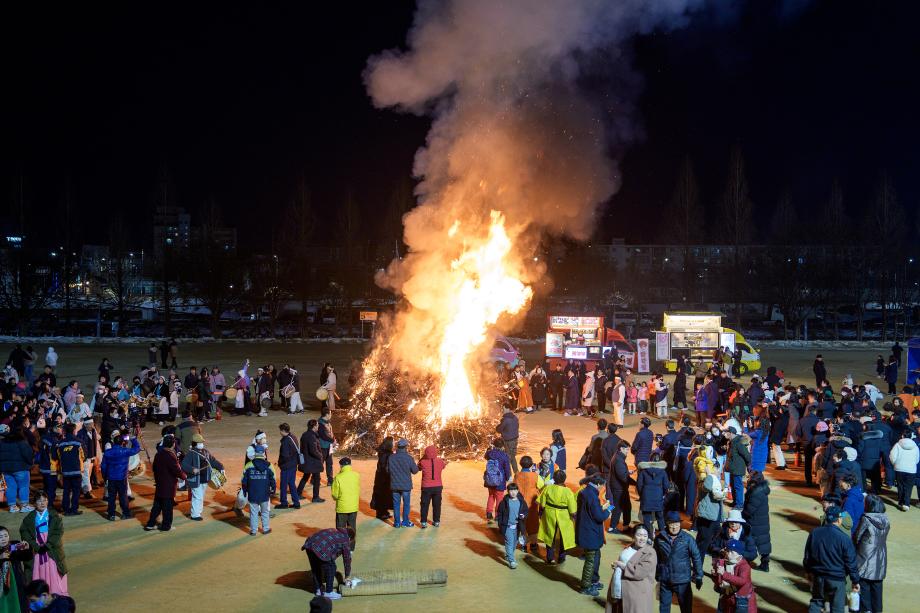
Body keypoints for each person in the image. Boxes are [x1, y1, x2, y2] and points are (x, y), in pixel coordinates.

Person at [803, 505, 860, 613]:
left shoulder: (815, 533)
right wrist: (855, 580)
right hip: (837, 579)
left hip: (818, 576)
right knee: (837, 608)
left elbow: (807, 555)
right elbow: (851, 562)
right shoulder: (844, 538)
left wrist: (807, 571)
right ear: (839, 520)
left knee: (816, 602)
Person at [19, 492, 68, 597]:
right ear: (34, 503)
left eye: (44, 500)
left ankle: (55, 591)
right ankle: (39, 591)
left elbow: (58, 532)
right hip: (37, 548)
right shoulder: (29, 518)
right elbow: (24, 532)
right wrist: (35, 546)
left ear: (48, 501)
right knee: (37, 569)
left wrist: (48, 545)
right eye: (39, 501)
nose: (42, 503)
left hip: (51, 548)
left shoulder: (54, 515)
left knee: (53, 569)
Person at [654, 511, 704, 613]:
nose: (674, 527)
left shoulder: (688, 539)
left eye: (676, 524)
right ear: (667, 524)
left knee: (686, 609)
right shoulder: (659, 538)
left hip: (682, 581)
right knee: (663, 608)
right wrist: (657, 573)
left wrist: (699, 575)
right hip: (665, 579)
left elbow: (696, 557)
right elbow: (656, 557)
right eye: (671, 524)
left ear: (680, 524)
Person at [605, 525, 657, 613]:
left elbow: (639, 573)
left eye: (645, 536)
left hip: (637, 593)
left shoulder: (650, 553)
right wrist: (617, 566)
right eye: (639, 535)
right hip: (622, 590)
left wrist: (622, 565)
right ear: (633, 535)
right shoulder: (630, 547)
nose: (642, 538)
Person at [576, 473, 611, 596]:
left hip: (586, 530)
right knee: (590, 560)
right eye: (602, 486)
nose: (603, 488)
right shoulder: (592, 496)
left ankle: (593, 580)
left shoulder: (584, 492)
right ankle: (585, 586)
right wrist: (608, 511)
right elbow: (599, 516)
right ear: (598, 484)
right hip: (590, 532)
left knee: (596, 556)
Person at [144, 434, 187, 532]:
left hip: (160, 484)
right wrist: (184, 476)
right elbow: (176, 470)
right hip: (168, 486)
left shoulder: (158, 454)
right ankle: (166, 526)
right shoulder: (170, 456)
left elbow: (154, 468)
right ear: (173, 444)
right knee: (167, 507)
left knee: (157, 506)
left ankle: (150, 524)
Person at [854, 494, 889, 613]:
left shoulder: (866, 519)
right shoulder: (886, 520)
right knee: (877, 588)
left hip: (865, 556)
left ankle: (866, 609)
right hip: (880, 556)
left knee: (864, 586)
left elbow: (857, 537)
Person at [301, 527, 354, 602]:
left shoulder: (334, 530)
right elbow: (347, 559)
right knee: (332, 567)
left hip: (309, 544)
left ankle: (318, 590)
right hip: (320, 547)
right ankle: (329, 592)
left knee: (316, 568)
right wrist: (347, 576)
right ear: (350, 537)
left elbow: (332, 548)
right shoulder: (345, 539)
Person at [181, 433, 224, 521]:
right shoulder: (190, 454)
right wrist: (192, 469)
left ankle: (197, 512)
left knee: (200, 496)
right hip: (195, 480)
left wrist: (221, 467)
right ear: (195, 443)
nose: (201, 444)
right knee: (198, 497)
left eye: (201, 442)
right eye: (199, 443)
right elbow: (184, 465)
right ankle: (195, 514)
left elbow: (213, 461)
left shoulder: (205, 452)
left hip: (205, 479)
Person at [537, 470, 577, 564]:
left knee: (549, 535)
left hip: (549, 514)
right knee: (564, 536)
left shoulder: (548, 488)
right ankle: (562, 557)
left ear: (554, 479)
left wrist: (541, 513)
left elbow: (542, 504)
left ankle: (550, 557)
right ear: (564, 479)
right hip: (564, 515)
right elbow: (572, 510)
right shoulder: (568, 491)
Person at [100, 433, 140, 520]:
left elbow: (103, 466)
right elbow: (137, 449)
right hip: (121, 478)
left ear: (113, 442)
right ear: (122, 442)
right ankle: (126, 513)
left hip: (111, 478)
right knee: (123, 496)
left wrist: (105, 477)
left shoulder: (107, 452)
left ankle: (111, 514)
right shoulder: (125, 451)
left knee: (111, 497)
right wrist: (133, 439)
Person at [713, 538, 758, 613]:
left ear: (739, 554)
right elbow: (719, 582)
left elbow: (742, 581)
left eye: (732, 552)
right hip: (727, 595)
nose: (729, 554)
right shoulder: (723, 562)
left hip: (742, 599)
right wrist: (715, 575)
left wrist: (724, 574)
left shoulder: (744, 566)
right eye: (728, 551)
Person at [0, 423, 36, 514]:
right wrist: (30, 463)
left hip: (6, 470)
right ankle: (24, 506)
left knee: (10, 487)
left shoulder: (2, 442)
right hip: (21, 468)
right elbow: (28, 454)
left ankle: (12, 506)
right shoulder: (21, 441)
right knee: (23, 486)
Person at [694, 459, 725, 562]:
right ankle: (697, 567)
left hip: (713, 517)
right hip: (706, 518)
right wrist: (709, 474)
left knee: (708, 541)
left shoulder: (713, 480)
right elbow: (707, 487)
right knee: (702, 544)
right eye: (716, 468)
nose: (718, 471)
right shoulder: (705, 479)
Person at [741, 470, 771, 572]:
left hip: (755, 521)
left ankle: (749, 561)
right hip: (761, 521)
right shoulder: (760, 490)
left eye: (749, 478)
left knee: (752, 541)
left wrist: (742, 515)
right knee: (763, 542)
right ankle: (765, 563)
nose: (747, 479)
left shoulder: (756, 492)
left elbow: (749, 510)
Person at [241, 446, 275, 536]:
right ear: (263, 453)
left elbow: (243, 480)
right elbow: (273, 479)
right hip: (264, 493)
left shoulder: (248, 465)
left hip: (252, 493)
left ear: (255, 453)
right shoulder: (269, 465)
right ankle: (266, 529)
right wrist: (273, 490)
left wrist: (244, 491)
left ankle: (253, 531)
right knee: (265, 512)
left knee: (253, 513)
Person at [388, 438, 419, 528]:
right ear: (406, 447)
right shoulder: (409, 458)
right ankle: (405, 521)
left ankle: (397, 523)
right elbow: (415, 471)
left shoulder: (391, 457)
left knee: (396, 504)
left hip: (394, 485)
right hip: (406, 486)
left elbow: (387, 470)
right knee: (406, 504)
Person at [514, 456, 543, 553]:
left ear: (520, 464)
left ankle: (523, 545)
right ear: (531, 465)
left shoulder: (517, 475)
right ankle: (533, 544)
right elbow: (541, 485)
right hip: (532, 503)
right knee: (533, 523)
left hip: (520, 503)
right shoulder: (535, 475)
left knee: (522, 524)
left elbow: (514, 487)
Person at [496, 482, 528, 569]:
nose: (513, 492)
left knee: (514, 543)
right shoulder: (504, 503)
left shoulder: (521, 502)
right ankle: (512, 561)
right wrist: (500, 524)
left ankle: (508, 555)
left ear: (517, 491)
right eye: (511, 490)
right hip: (507, 527)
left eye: (515, 490)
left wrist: (524, 515)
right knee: (509, 543)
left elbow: (526, 511)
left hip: (517, 527)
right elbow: (500, 513)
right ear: (508, 491)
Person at [53, 425, 83, 517]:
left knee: (66, 490)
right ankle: (74, 509)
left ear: (65, 431)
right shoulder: (78, 442)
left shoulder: (60, 443)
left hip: (65, 471)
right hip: (76, 471)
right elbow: (83, 456)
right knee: (76, 491)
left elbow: (56, 456)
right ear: (73, 431)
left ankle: (66, 509)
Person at [637, 452, 669, 535]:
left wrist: (642, 495)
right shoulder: (663, 472)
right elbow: (666, 485)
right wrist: (662, 494)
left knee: (646, 517)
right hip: (658, 496)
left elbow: (639, 485)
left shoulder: (643, 471)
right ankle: (663, 534)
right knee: (660, 516)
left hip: (646, 496)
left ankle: (649, 535)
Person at [331, 457, 360, 549]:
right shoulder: (356, 475)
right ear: (350, 465)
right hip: (353, 506)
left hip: (342, 507)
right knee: (352, 528)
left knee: (341, 529)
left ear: (341, 466)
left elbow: (335, 494)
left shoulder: (338, 477)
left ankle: (341, 547)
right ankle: (351, 547)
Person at [607, 440, 634, 534]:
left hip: (619, 487)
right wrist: (635, 483)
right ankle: (612, 528)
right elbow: (623, 477)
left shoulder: (618, 457)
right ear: (621, 449)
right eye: (627, 449)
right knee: (619, 508)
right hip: (619, 488)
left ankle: (625, 527)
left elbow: (622, 473)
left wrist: (627, 472)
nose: (628, 451)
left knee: (626, 507)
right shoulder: (618, 460)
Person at [483, 438, 512, 523]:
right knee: (499, 498)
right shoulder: (504, 455)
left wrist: (489, 449)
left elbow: (486, 456)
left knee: (491, 496)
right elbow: (507, 468)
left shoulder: (489, 453)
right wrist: (508, 477)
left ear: (494, 445)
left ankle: (489, 512)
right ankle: (497, 515)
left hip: (490, 479)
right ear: (503, 446)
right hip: (500, 480)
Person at [889, 430, 918, 511]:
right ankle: (906, 504)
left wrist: (895, 464)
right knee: (909, 487)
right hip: (911, 470)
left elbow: (892, 456)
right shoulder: (915, 446)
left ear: (902, 436)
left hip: (899, 468)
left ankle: (901, 502)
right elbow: (917, 458)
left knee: (900, 486)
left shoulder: (897, 445)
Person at [297, 420, 325, 504]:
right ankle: (315, 497)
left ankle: (298, 493)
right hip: (313, 462)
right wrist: (320, 456)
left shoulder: (305, 434)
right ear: (314, 426)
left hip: (307, 461)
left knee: (305, 476)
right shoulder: (312, 437)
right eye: (317, 425)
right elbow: (313, 451)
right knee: (317, 479)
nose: (318, 427)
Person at [418, 445, 445, 529]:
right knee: (437, 505)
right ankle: (436, 521)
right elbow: (443, 466)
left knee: (424, 504)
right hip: (438, 486)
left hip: (426, 487)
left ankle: (423, 522)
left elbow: (418, 467)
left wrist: (423, 458)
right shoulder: (440, 461)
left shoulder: (423, 462)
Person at [277, 423, 302, 509]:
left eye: (280, 430)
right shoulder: (293, 437)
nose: (280, 432)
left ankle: (284, 503)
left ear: (283, 431)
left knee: (283, 485)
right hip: (293, 465)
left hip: (287, 466)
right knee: (292, 484)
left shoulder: (285, 442)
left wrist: (280, 463)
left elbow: (285, 456)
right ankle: (296, 503)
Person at [724, 427, 750, 508]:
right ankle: (735, 502)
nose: (725, 434)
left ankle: (739, 504)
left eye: (727, 432)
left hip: (738, 469)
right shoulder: (731, 442)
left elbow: (747, 455)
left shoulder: (738, 443)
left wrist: (749, 466)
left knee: (738, 486)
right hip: (733, 468)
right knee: (733, 485)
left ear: (731, 433)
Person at [370, 437, 394, 521]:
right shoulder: (386, 453)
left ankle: (384, 512)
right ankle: (381, 513)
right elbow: (384, 466)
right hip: (383, 476)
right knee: (383, 493)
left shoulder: (384, 452)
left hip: (382, 476)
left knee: (383, 494)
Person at [496, 405, 520, 475]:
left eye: (503, 409)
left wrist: (497, 427)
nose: (502, 410)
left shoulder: (505, 420)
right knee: (512, 456)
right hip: (515, 439)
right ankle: (516, 473)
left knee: (508, 458)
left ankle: (509, 475)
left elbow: (499, 429)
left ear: (508, 409)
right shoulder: (515, 417)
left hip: (508, 440)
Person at [317, 408, 336, 486]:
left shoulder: (327, 422)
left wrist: (334, 439)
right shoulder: (320, 424)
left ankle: (330, 480)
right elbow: (323, 436)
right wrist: (332, 440)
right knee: (319, 464)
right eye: (330, 413)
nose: (331, 415)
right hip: (322, 447)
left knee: (329, 463)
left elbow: (330, 433)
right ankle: (315, 479)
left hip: (329, 447)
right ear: (327, 414)